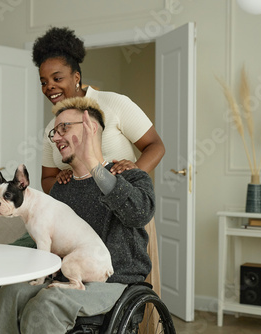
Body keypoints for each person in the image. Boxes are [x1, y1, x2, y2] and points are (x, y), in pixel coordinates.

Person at [0, 97, 155, 333]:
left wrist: (95, 166)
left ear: (91, 128)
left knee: (45, 307)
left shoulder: (130, 176)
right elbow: (43, 234)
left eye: (64, 128)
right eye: (53, 132)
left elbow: (140, 214)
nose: (56, 138)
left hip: (116, 279)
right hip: (65, 272)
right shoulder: (62, 187)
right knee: (7, 295)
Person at [33, 26, 163, 299]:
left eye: (57, 78)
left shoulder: (113, 104)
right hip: (78, 220)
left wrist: (132, 173)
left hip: (122, 214)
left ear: (76, 76)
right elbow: (47, 179)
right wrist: (61, 180)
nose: (50, 87)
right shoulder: (52, 129)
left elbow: (156, 146)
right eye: (44, 81)